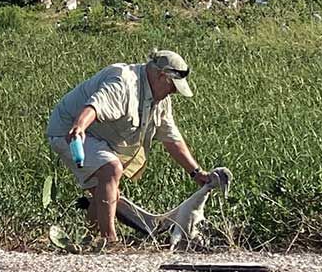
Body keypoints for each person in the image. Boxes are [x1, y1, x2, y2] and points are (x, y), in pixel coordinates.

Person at [47, 49, 210, 244]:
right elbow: (95, 105)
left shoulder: (161, 100)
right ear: (161, 76)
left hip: (100, 137)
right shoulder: (124, 82)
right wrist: (80, 126)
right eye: (172, 87)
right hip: (70, 130)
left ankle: (88, 239)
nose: (173, 92)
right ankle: (109, 240)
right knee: (111, 168)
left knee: (108, 192)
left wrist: (197, 172)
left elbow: (171, 138)